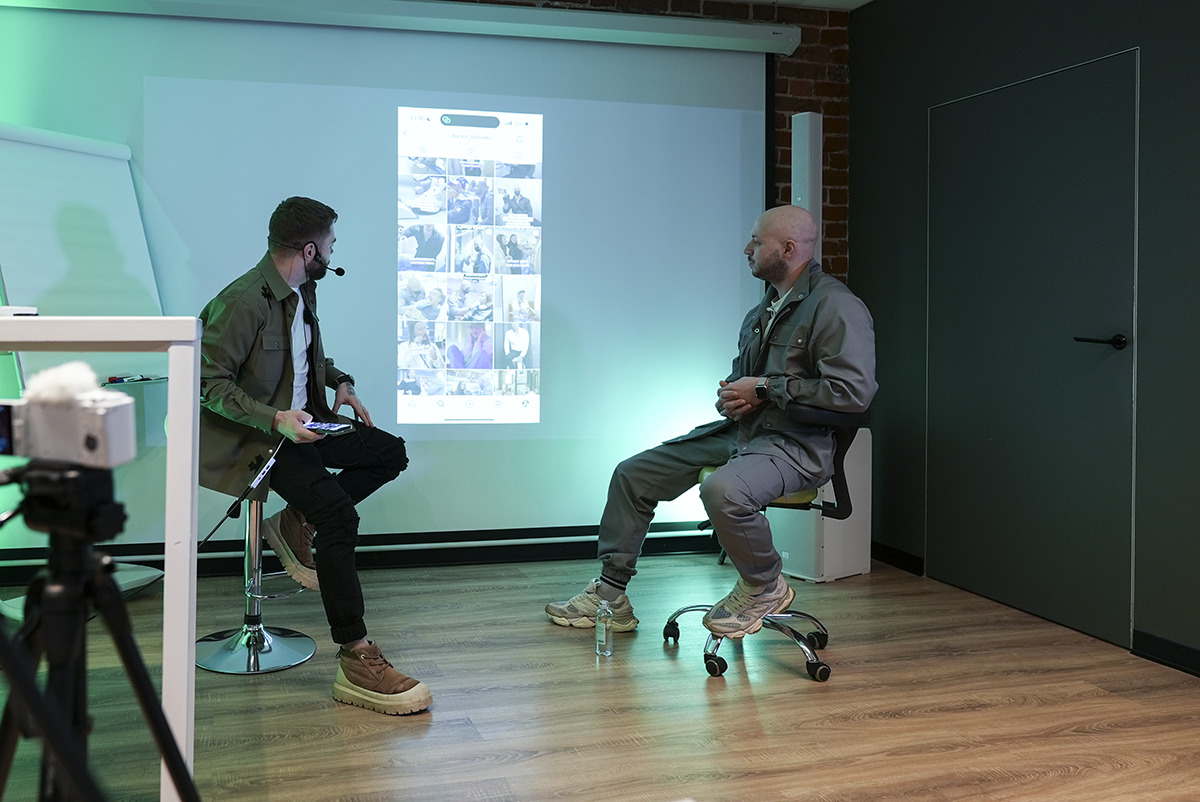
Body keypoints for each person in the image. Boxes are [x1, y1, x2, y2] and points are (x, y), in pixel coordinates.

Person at [545, 205, 877, 638]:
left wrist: (764, 389)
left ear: (788, 248)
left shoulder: (836, 306)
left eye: (756, 241)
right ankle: (610, 597)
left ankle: (765, 585)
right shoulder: (764, 309)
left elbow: (852, 393)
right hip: (744, 433)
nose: (746, 249)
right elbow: (747, 381)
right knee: (633, 474)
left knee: (722, 489)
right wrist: (734, 399)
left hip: (796, 445)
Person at [198, 196, 431, 716]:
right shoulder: (243, 301)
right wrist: (275, 418)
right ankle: (356, 657)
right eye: (330, 245)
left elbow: (303, 359)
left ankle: (294, 520)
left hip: (307, 423)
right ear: (309, 250)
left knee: (388, 453)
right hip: (264, 438)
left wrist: (340, 381)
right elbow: (208, 382)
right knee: (339, 517)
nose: (332, 254)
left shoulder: (301, 290)